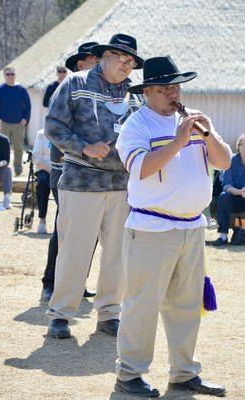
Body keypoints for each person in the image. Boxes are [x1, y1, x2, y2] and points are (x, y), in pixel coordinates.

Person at [114, 56, 231, 398]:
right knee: (142, 305)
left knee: (186, 304)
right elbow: (142, 169)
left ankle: (184, 372)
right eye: (165, 87)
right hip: (151, 230)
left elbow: (222, 162)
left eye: (176, 85)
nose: (173, 92)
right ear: (147, 91)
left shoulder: (194, 120)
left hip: (192, 228)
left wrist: (208, 137)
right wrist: (179, 142)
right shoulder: (136, 125)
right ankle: (130, 374)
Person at [45, 33, 144, 339]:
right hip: (81, 182)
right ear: (105, 56)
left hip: (121, 186)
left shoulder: (135, 94)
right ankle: (61, 314)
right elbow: (53, 126)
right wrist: (83, 146)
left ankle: (109, 314)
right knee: (74, 252)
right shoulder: (75, 83)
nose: (127, 66)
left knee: (118, 255)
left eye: (131, 62)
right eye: (122, 59)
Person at [41, 43, 99, 302]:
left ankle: (78, 282)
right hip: (65, 170)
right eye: (94, 60)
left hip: (95, 176)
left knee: (90, 232)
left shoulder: (102, 94)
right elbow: (56, 131)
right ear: (81, 65)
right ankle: (51, 282)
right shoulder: (68, 89)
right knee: (64, 229)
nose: (99, 66)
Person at [0, 66, 31, 176]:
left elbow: (28, 106)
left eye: (12, 74)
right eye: (8, 74)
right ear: (4, 76)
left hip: (18, 124)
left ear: (15, 75)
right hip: (3, 124)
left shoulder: (21, 89)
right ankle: (1, 169)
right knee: (2, 147)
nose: (10, 76)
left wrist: (25, 119)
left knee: (18, 148)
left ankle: (18, 170)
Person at [213, 134, 245, 246]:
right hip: (235, 198)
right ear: (239, 146)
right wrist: (240, 191)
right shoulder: (231, 161)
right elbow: (227, 185)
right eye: (243, 144)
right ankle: (223, 236)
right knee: (224, 196)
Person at [32, 129, 51, 234]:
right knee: (43, 183)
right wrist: (50, 169)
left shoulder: (67, 132)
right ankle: (42, 220)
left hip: (63, 170)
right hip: (44, 168)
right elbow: (36, 158)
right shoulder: (41, 134)